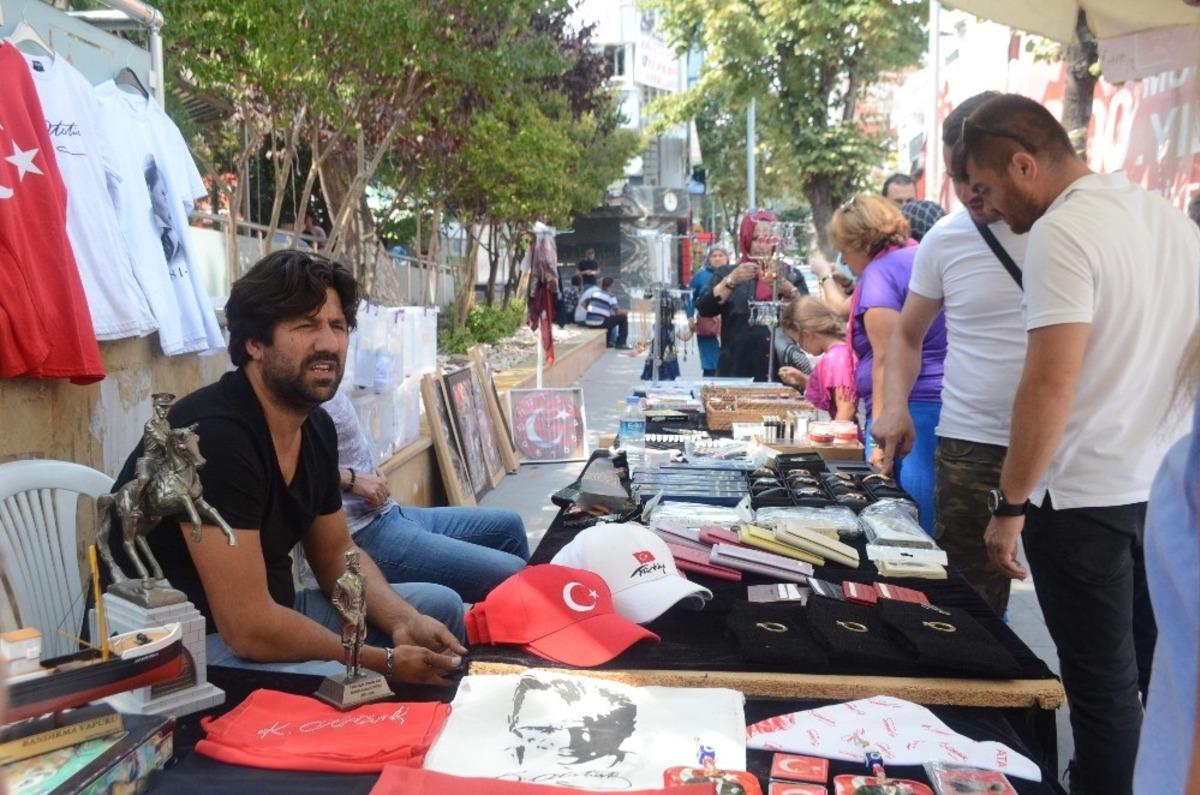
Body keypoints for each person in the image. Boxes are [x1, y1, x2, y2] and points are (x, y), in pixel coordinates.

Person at [955, 93, 1200, 795]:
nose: (989, 206)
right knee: (1166, 679)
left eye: (989, 188)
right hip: (1161, 487)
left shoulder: (1063, 232)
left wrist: (1010, 502)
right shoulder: (1167, 219)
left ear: (1024, 164)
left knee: (1101, 691)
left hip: (1085, 495)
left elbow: (1048, 382)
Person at [107, 249, 468, 685]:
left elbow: (336, 554)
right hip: (181, 648)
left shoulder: (314, 427)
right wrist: (380, 660)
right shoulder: (214, 437)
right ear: (254, 343)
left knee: (436, 608)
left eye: (337, 326)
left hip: (270, 614)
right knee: (350, 680)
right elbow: (248, 629)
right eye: (306, 326)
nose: (329, 343)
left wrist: (404, 623)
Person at [872, 91, 1026, 616]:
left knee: (1083, 615)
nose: (965, 193)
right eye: (956, 179)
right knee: (969, 601)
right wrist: (894, 406)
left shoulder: (1069, 229)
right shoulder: (946, 239)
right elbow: (907, 336)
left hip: (1073, 449)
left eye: (975, 178)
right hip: (972, 443)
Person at [324, 388, 529, 603]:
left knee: (510, 526)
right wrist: (350, 479)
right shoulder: (296, 385)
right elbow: (287, 470)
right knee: (514, 576)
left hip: (390, 513)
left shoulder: (329, 375)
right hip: (363, 534)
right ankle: (523, 622)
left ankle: (540, 625)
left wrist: (368, 470)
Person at [829, 195, 946, 533]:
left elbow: (887, 357)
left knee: (906, 519)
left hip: (912, 410)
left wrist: (882, 431)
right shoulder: (920, 255)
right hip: (936, 403)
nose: (846, 260)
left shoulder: (881, 272)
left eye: (844, 248)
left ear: (861, 242)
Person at [695, 211, 800, 381]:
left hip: (782, 373)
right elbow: (705, 308)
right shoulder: (727, 273)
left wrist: (789, 290)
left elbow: (810, 315)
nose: (762, 246)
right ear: (746, 239)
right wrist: (731, 281)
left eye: (768, 240)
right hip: (736, 371)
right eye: (756, 238)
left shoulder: (789, 273)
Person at [780, 296, 857, 421]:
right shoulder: (837, 354)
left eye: (798, 341)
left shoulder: (837, 358)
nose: (800, 347)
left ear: (807, 335)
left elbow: (846, 409)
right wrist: (804, 380)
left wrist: (833, 438)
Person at [689, 246, 727, 376]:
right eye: (714, 256)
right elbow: (689, 297)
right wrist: (689, 317)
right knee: (710, 364)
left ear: (727, 258)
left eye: (720, 255)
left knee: (727, 362)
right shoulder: (700, 276)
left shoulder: (733, 274)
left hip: (729, 324)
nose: (717, 258)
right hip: (707, 326)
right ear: (709, 259)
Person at [582, 276, 630, 349]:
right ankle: (621, 343)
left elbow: (583, 304)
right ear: (611, 285)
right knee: (623, 317)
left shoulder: (595, 294)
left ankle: (607, 343)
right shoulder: (610, 296)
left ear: (602, 285)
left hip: (589, 322)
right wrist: (627, 312)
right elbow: (617, 312)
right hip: (600, 323)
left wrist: (593, 312)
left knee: (608, 318)